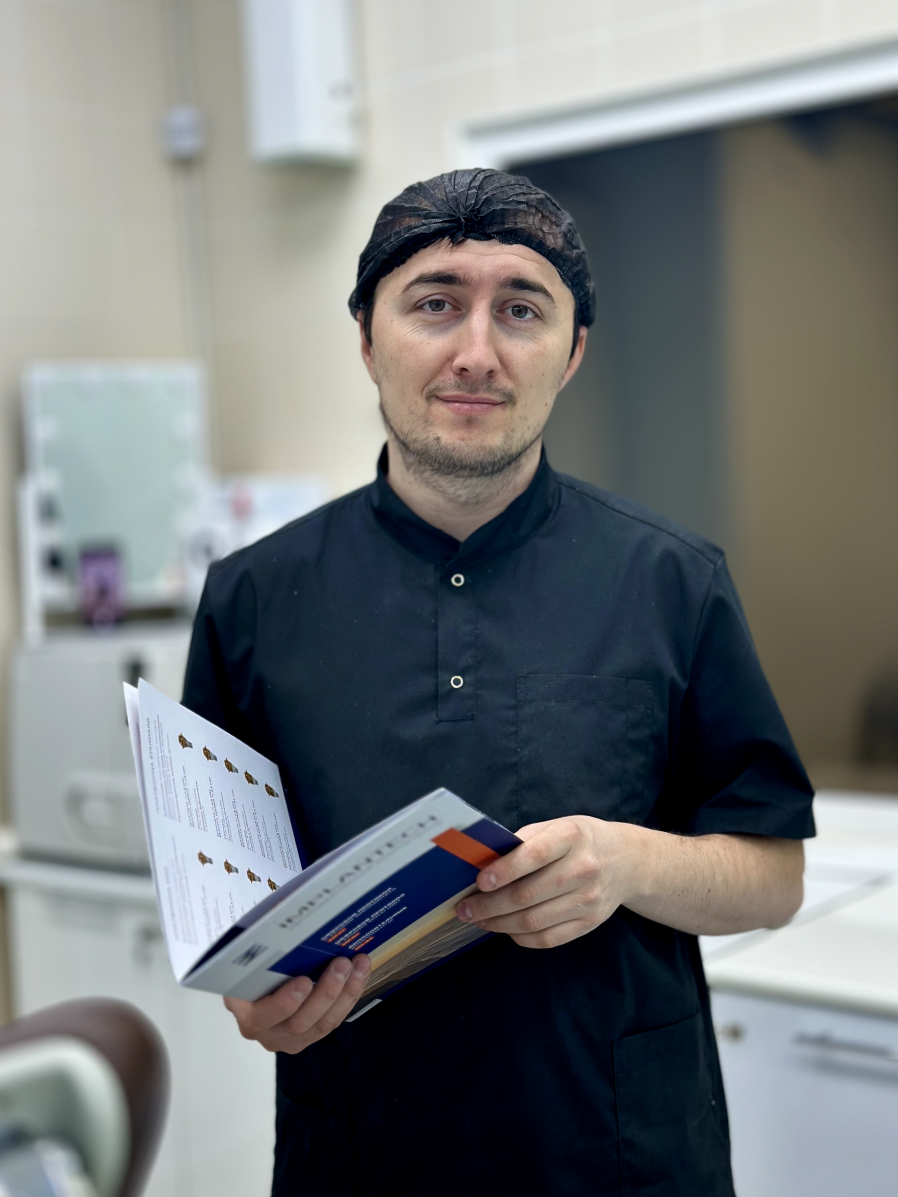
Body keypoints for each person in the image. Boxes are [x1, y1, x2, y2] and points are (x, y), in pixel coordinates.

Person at [183, 169, 814, 1197]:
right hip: (361, 1155)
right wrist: (253, 998)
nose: (476, 351)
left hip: (619, 1155)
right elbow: (223, 904)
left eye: (521, 310)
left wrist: (627, 863)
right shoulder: (251, 599)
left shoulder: (671, 580)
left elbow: (774, 877)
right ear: (366, 338)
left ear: (572, 352)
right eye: (435, 303)